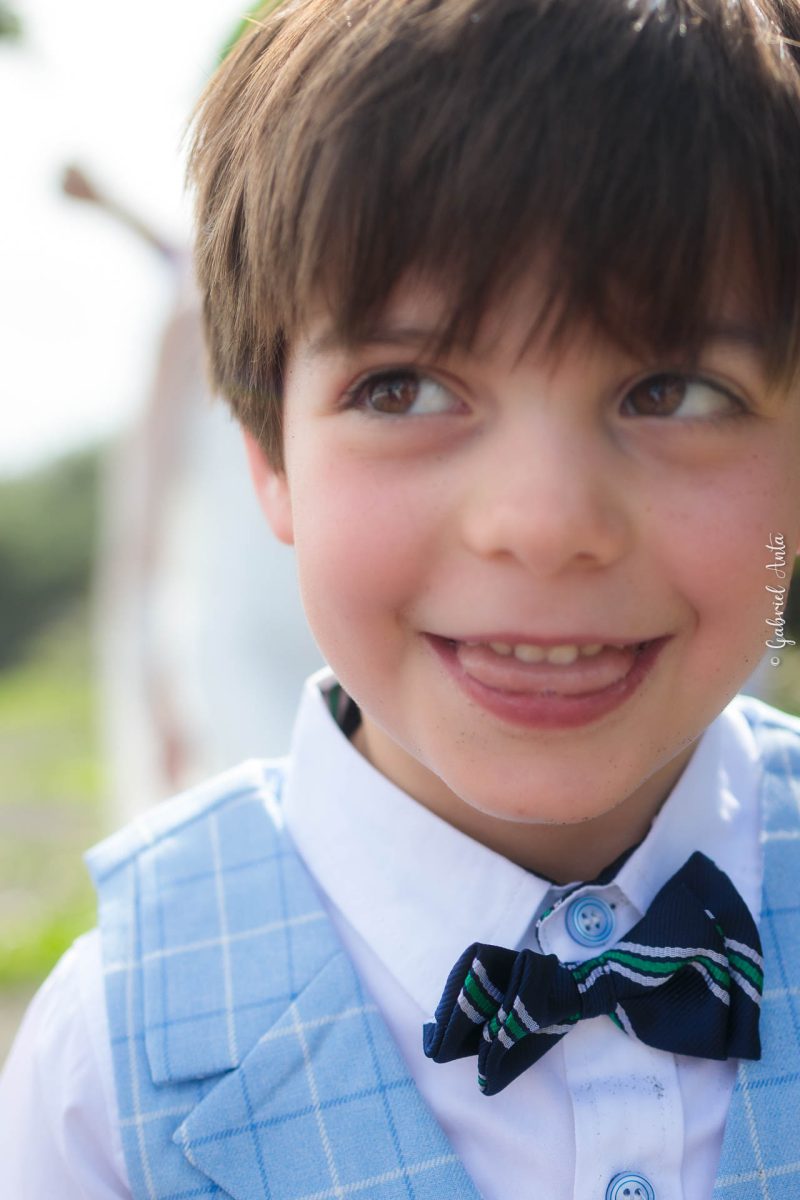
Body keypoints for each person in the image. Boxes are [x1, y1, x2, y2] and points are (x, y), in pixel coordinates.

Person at [3, 1, 800, 1196]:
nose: (541, 525)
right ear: (267, 454)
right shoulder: (109, 1062)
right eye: (406, 390)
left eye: (671, 390)